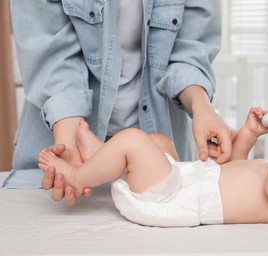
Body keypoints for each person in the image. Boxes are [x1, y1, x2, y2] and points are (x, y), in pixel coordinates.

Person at [8, 1, 235, 204]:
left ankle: (94, 153)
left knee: (156, 148)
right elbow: (51, 54)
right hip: (65, 136)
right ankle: (84, 159)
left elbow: (189, 52)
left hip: (155, 158)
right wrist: (69, 139)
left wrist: (202, 106)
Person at [38, 107, 268, 227]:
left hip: (181, 199)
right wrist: (250, 134)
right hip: (190, 180)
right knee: (158, 142)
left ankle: (78, 174)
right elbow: (232, 168)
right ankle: (102, 155)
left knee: (132, 141)